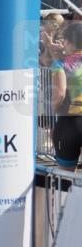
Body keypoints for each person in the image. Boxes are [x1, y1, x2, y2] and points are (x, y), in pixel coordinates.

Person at [51, 22, 82, 171]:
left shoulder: (60, 64)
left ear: (68, 42)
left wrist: (55, 109)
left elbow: (60, 93)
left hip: (70, 124)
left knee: (64, 181)